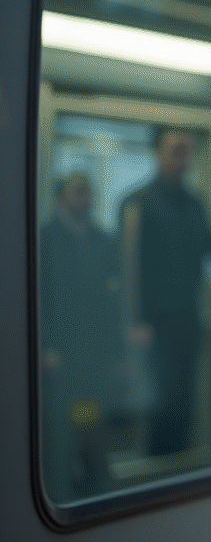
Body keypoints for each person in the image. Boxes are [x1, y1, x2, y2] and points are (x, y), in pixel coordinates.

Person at [120, 128, 211, 456]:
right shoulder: (138, 203)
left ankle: (178, 466)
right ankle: (157, 471)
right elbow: (129, 270)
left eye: (186, 151)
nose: (182, 158)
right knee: (159, 401)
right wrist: (135, 322)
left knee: (185, 397)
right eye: (175, 150)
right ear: (156, 153)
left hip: (188, 316)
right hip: (152, 324)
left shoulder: (193, 203)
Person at [39, 172, 125, 500]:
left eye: (88, 193)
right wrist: (46, 346)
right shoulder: (44, 239)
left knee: (93, 425)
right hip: (60, 356)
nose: (85, 200)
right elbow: (38, 299)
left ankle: (96, 493)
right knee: (61, 431)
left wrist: (118, 353)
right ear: (61, 197)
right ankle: (61, 491)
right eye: (78, 193)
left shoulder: (102, 240)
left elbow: (111, 301)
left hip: (94, 355)